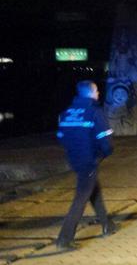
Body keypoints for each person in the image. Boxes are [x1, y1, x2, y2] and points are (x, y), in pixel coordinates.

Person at [56, 81, 117, 250]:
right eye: (97, 91)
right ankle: (64, 239)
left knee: (93, 191)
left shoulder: (67, 113)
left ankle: (107, 225)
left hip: (75, 159)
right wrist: (102, 154)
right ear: (90, 93)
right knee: (81, 197)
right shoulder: (95, 112)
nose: (98, 93)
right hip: (89, 160)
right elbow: (106, 141)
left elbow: (61, 137)